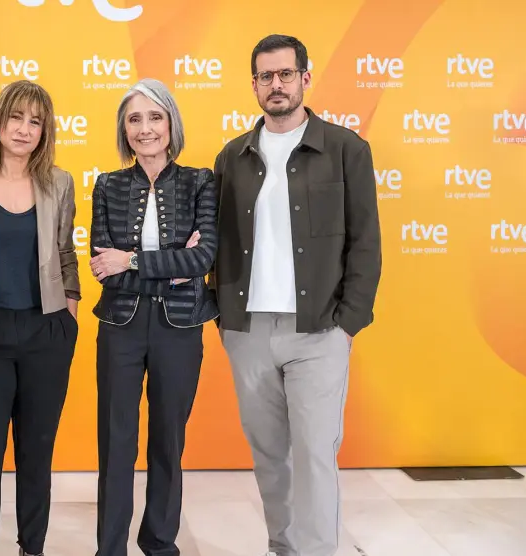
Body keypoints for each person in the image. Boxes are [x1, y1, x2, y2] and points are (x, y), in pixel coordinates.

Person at [211, 34, 382, 556]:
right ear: (254, 84)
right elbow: (216, 242)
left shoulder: (346, 149)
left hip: (319, 330)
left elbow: (366, 242)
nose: (276, 84)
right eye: (266, 76)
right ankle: (282, 547)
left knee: (314, 454)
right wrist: (222, 317)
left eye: (286, 74)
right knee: (269, 456)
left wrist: (347, 323)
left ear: (305, 78)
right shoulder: (232, 157)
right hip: (248, 331)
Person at [0, 79, 81, 556]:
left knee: (36, 452)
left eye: (36, 121)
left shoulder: (59, 182)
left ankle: (32, 547)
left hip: (46, 331)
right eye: (16, 117)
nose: (25, 129)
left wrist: (69, 313)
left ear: (45, 131)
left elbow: (65, 252)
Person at [88, 78, 218, 556]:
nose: (145, 128)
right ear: (124, 129)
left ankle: (160, 542)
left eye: (155, 116)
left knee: (168, 440)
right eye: (135, 119)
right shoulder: (108, 185)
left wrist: (132, 260)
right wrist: (171, 268)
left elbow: (202, 259)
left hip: (179, 329)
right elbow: (103, 268)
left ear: (171, 124)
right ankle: (110, 548)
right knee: (116, 442)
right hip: (119, 327)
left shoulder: (200, 181)